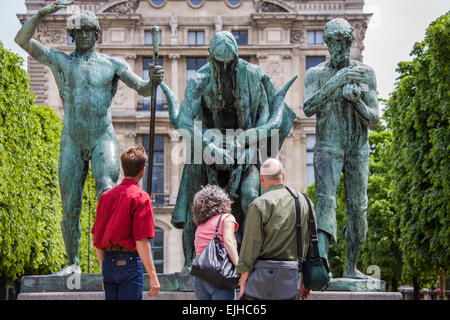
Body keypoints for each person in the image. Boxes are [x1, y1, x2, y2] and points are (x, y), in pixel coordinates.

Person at [14, 1, 164, 275]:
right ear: (73, 35)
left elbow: (142, 89)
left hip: (101, 137)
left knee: (107, 193)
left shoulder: (112, 64)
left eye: (87, 31)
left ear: (96, 34)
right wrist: (41, 14)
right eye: (78, 32)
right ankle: (72, 263)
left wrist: (153, 80)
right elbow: (22, 40)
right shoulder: (61, 60)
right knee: (70, 205)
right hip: (71, 138)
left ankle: (107, 258)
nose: (82, 36)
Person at [159, 31, 296, 270]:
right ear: (211, 58)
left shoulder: (253, 76)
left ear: (236, 57)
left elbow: (270, 121)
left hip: (246, 148)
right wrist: (211, 147)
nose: (223, 68)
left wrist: (247, 142)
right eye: (218, 62)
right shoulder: (200, 80)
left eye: (228, 62)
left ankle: (254, 256)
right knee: (195, 198)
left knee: (250, 195)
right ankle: (190, 262)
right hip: (207, 145)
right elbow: (183, 121)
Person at [303, 18, 380, 278]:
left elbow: (375, 119)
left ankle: (351, 268)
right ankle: (322, 266)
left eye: (344, 42)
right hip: (327, 146)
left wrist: (357, 100)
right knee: (325, 202)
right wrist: (337, 82)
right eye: (334, 43)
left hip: (357, 147)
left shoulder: (366, 72)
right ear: (327, 44)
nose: (340, 48)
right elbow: (308, 107)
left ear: (350, 42)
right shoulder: (315, 73)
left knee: (358, 210)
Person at [236, 158, 313, 300]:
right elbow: (311, 242)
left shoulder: (259, 204)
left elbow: (250, 245)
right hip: (293, 277)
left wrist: (243, 278)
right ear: (282, 177)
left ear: (261, 179)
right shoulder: (304, 201)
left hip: (261, 279)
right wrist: (307, 280)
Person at [91, 146, 160, 300]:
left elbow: (97, 240)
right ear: (143, 170)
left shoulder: (105, 197)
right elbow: (141, 240)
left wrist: (105, 271)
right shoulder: (141, 197)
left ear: (123, 168)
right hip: (129, 263)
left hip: (108, 263)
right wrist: (153, 275)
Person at [192, 185, 239, 300]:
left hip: (199, 278)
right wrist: (239, 267)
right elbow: (228, 242)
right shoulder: (227, 218)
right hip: (219, 276)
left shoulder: (200, 226)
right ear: (223, 201)